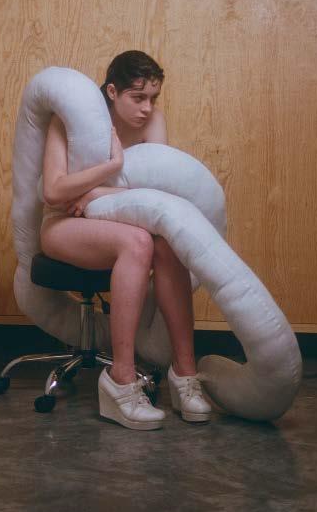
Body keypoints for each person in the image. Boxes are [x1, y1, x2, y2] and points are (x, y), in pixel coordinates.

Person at [40, 50, 211, 430]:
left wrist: (98, 193)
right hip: (64, 225)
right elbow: (53, 191)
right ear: (112, 92)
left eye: (153, 98)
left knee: (166, 242)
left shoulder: (153, 121)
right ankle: (121, 380)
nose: (147, 108)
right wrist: (112, 167)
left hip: (118, 218)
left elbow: (160, 189)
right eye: (138, 97)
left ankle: (185, 374)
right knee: (137, 243)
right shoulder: (71, 117)